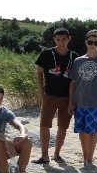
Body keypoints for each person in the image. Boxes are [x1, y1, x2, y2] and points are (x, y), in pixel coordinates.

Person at [67, 29, 97, 167]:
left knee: (92, 130)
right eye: (90, 42)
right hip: (78, 101)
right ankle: (85, 157)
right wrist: (70, 102)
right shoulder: (78, 61)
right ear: (86, 42)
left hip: (95, 101)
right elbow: (73, 83)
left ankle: (90, 158)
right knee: (82, 130)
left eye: (96, 42)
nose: (93, 44)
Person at [33, 27, 77, 164]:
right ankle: (44, 156)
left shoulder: (74, 57)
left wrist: (72, 101)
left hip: (67, 98)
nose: (61, 42)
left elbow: (75, 80)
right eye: (58, 39)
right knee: (44, 125)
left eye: (64, 39)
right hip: (49, 96)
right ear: (54, 39)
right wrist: (42, 94)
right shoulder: (46, 54)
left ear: (69, 39)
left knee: (63, 127)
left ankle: (57, 154)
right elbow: (39, 73)